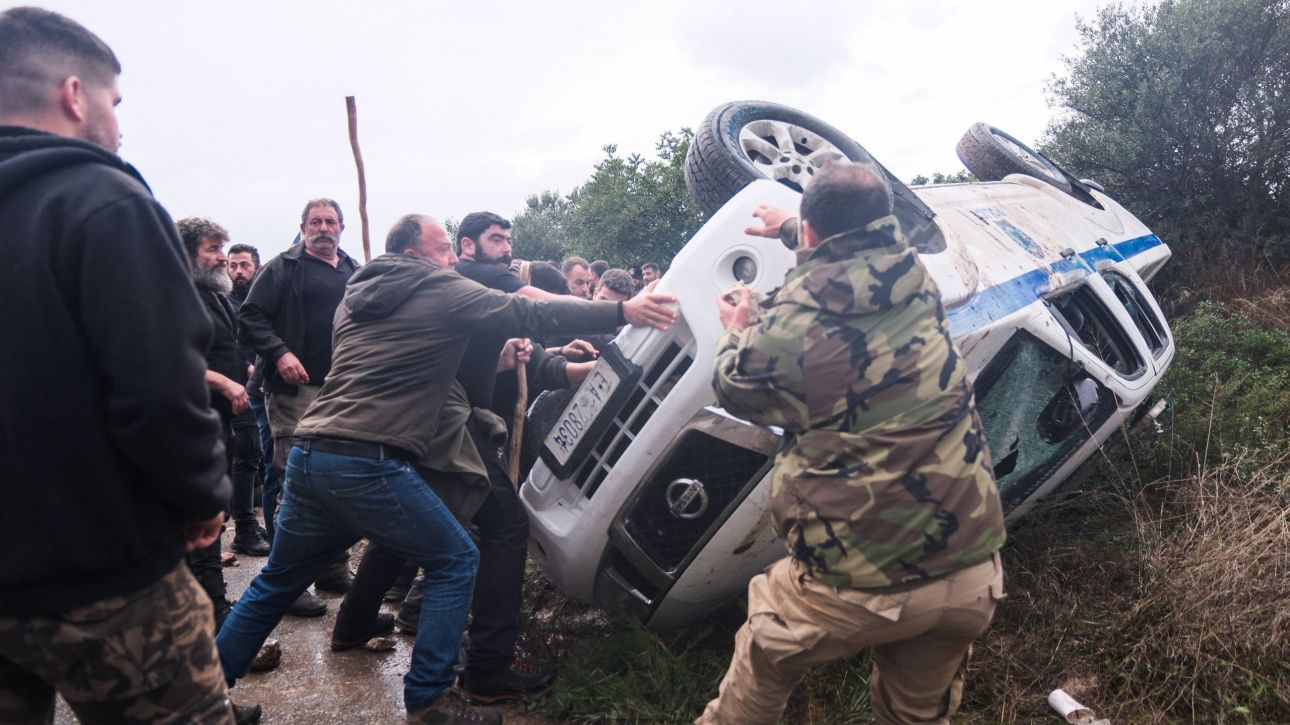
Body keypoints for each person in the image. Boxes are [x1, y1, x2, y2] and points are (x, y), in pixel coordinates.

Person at [216, 214, 676, 723]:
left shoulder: (356, 295)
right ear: (414, 254)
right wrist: (621, 308)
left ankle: (203, 695)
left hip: (312, 451)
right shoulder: (434, 285)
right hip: (368, 457)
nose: (453, 261)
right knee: (456, 559)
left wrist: (500, 358)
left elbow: (412, 353)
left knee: (276, 581)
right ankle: (431, 700)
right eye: (442, 250)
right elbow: (524, 311)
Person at [0, 7, 245, 723]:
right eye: (114, 103)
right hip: (105, 585)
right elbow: (160, 388)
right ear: (75, 95)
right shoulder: (102, 197)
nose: (118, 125)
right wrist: (201, 497)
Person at [697, 162, 1007, 724]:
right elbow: (861, 249)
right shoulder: (914, 278)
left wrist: (738, 325)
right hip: (970, 572)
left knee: (764, 656)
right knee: (915, 716)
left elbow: (735, 383)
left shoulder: (789, 328)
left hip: (860, 581)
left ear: (814, 234)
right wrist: (793, 226)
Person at [238, 197, 361, 615]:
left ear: (341, 227)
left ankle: (332, 567)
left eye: (330, 221)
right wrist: (280, 353)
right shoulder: (282, 267)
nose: (323, 227)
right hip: (295, 391)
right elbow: (250, 317)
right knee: (291, 480)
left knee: (336, 480)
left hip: (341, 390)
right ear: (303, 226)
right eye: (315, 221)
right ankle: (288, 580)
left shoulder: (353, 270)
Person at [226, 242, 272, 556]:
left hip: (259, 388)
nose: (238, 271)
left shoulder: (259, 302)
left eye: (244, 265)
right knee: (246, 456)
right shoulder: (224, 302)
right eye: (233, 265)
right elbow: (225, 344)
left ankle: (252, 523)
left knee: (257, 457)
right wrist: (244, 365)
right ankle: (243, 528)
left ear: (256, 267)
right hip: (235, 388)